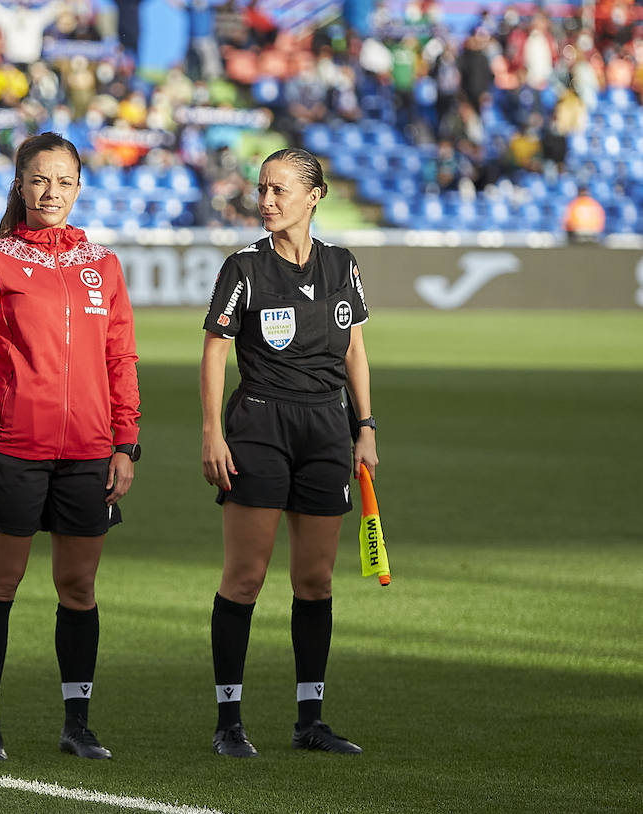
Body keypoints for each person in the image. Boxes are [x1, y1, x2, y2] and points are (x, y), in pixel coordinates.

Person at [0, 132, 141, 762]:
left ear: (79, 188)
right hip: (12, 450)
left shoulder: (102, 265)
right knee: (0, 583)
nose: (50, 192)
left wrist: (125, 442)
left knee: (78, 589)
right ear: (20, 186)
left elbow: (120, 356)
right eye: (38, 180)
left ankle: (77, 724)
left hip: (89, 452)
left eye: (63, 181)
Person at [199, 147, 376, 758]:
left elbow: (354, 348)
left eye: (279, 191)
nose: (266, 201)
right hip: (260, 428)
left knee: (315, 580)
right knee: (245, 578)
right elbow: (216, 350)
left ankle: (310, 721)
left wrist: (367, 425)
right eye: (263, 190)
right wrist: (211, 432)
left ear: (314, 196)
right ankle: (228, 722)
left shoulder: (342, 265)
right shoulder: (244, 267)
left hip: (328, 431)